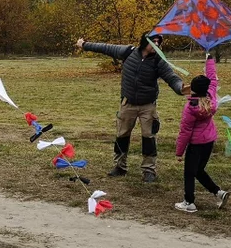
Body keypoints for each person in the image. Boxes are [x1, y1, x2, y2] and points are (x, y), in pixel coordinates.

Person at [77, 33, 189, 182]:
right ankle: (120, 166)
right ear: (144, 42)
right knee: (122, 136)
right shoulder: (128, 52)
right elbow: (105, 47)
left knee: (149, 138)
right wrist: (84, 45)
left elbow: (171, 77)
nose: (157, 44)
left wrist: (181, 88)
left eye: (158, 42)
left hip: (147, 106)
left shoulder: (158, 61)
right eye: (153, 41)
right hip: (127, 104)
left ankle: (149, 171)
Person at [174, 53, 229, 212]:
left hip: (196, 144)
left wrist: (179, 153)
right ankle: (219, 193)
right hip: (209, 141)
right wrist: (209, 58)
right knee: (198, 170)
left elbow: (185, 132)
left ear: (192, 89)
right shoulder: (211, 95)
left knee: (189, 173)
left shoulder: (190, 107)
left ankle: (189, 202)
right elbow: (212, 77)